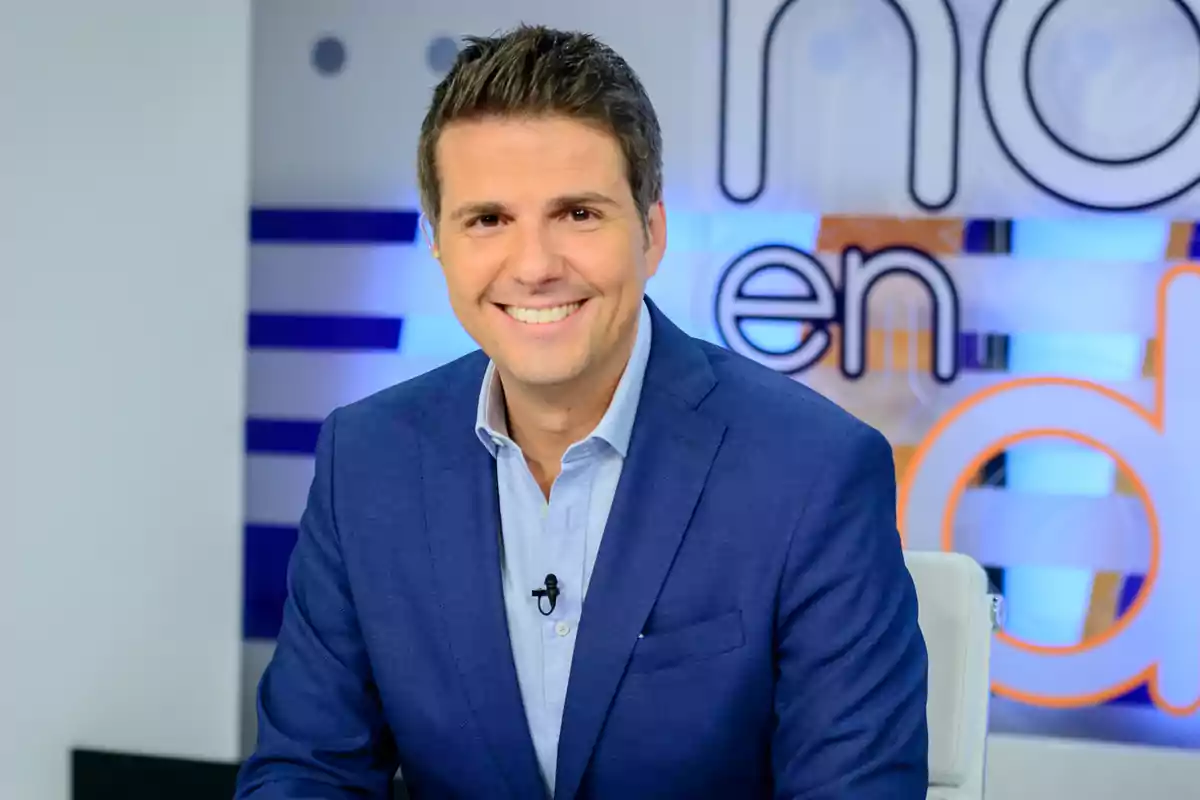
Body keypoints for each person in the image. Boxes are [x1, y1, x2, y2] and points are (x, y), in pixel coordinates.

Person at [235, 24, 928, 800]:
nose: (533, 266)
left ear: (652, 235)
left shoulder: (813, 473)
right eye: (488, 219)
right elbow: (307, 772)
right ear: (437, 244)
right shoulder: (365, 464)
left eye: (578, 214)